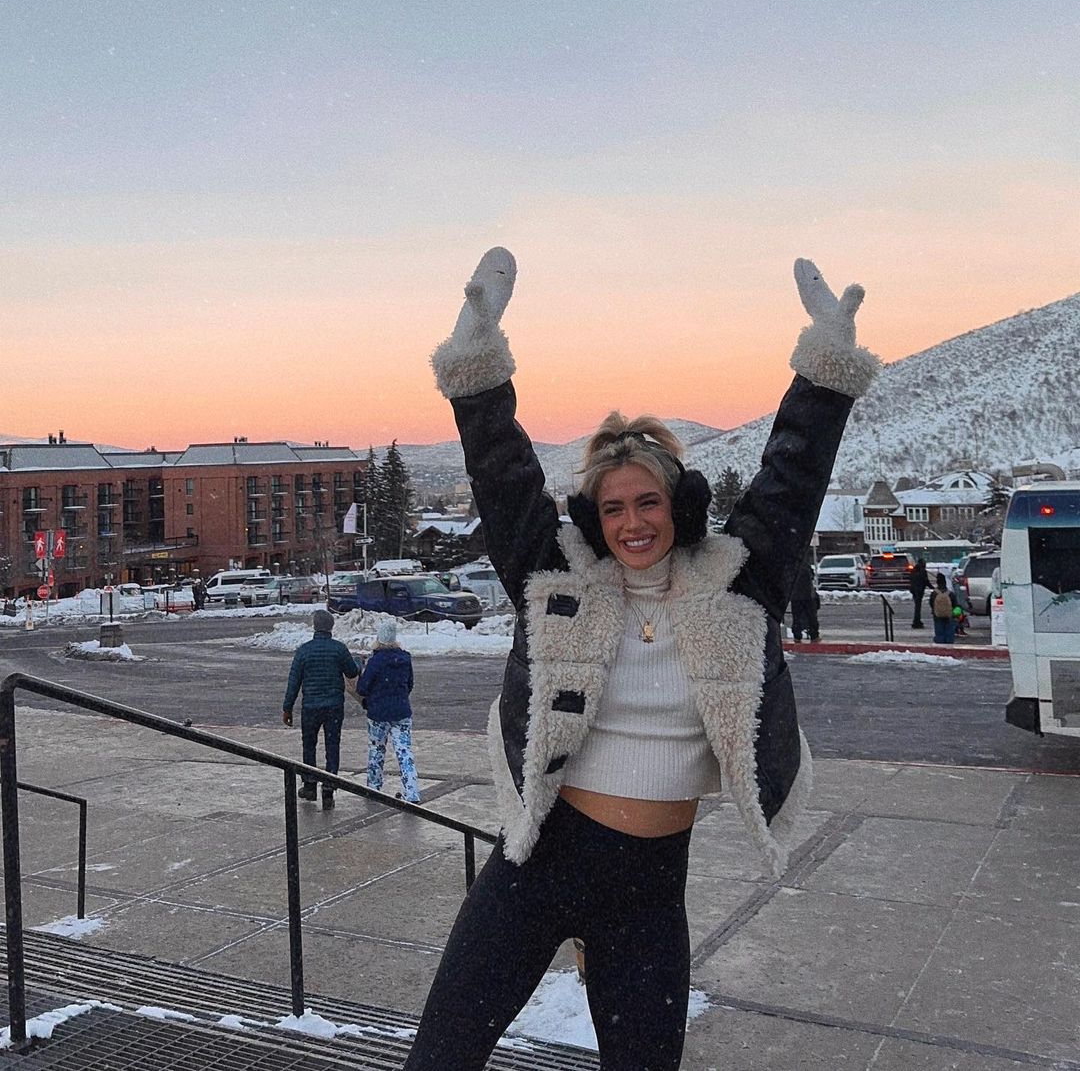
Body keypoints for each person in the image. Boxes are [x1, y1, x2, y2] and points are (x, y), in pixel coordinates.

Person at [401, 248, 880, 1071]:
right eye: (614, 507)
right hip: (536, 865)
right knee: (441, 1058)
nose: (632, 523)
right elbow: (503, 478)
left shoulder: (737, 582)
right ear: (595, 519)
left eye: (648, 502)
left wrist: (826, 375)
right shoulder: (558, 580)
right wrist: (476, 373)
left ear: (679, 505)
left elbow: (792, 478)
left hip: (650, 892)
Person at [282, 608, 360, 808]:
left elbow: (294, 682)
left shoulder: (304, 651)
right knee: (332, 746)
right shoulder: (339, 649)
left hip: (310, 707)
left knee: (309, 745)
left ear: (315, 627)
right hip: (334, 706)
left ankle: (309, 785)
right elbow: (352, 672)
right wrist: (358, 663)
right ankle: (328, 789)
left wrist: (287, 707)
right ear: (331, 627)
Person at [358, 617, 421, 803]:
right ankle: (412, 792)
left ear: (379, 639)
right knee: (404, 751)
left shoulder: (375, 661)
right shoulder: (405, 659)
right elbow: (409, 684)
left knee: (377, 750)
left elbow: (362, 688)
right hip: (401, 712)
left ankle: (374, 788)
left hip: (378, 714)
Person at [789, 548, 820, 642]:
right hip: (808, 596)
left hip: (796, 596)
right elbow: (811, 576)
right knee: (811, 617)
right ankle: (814, 635)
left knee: (797, 617)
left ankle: (797, 636)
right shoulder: (805, 566)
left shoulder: (792, 566)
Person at [930, 572, 960, 644]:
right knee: (949, 631)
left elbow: (931, 604)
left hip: (937, 615)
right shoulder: (950, 593)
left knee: (939, 631)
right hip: (949, 615)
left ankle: (940, 644)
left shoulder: (934, 593)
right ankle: (949, 644)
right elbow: (955, 605)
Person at [909, 557, 929, 629]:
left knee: (917, 607)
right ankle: (917, 622)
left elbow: (911, 580)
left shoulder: (914, 570)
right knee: (918, 607)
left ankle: (916, 621)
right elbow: (926, 581)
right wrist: (933, 588)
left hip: (914, 590)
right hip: (919, 591)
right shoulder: (923, 571)